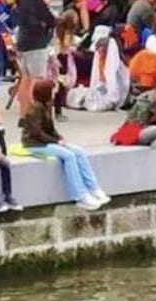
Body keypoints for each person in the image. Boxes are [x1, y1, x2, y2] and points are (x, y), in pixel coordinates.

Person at [22, 83, 109, 211]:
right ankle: (80, 195)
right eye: (52, 91)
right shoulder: (34, 110)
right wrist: (56, 142)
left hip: (46, 141)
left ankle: (94, 188)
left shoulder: (46, 107)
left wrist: (59, 138)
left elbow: (50, 129)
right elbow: (36, 133)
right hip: (34, 144)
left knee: (79, 151)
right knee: (68, 156)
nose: (55, 93)